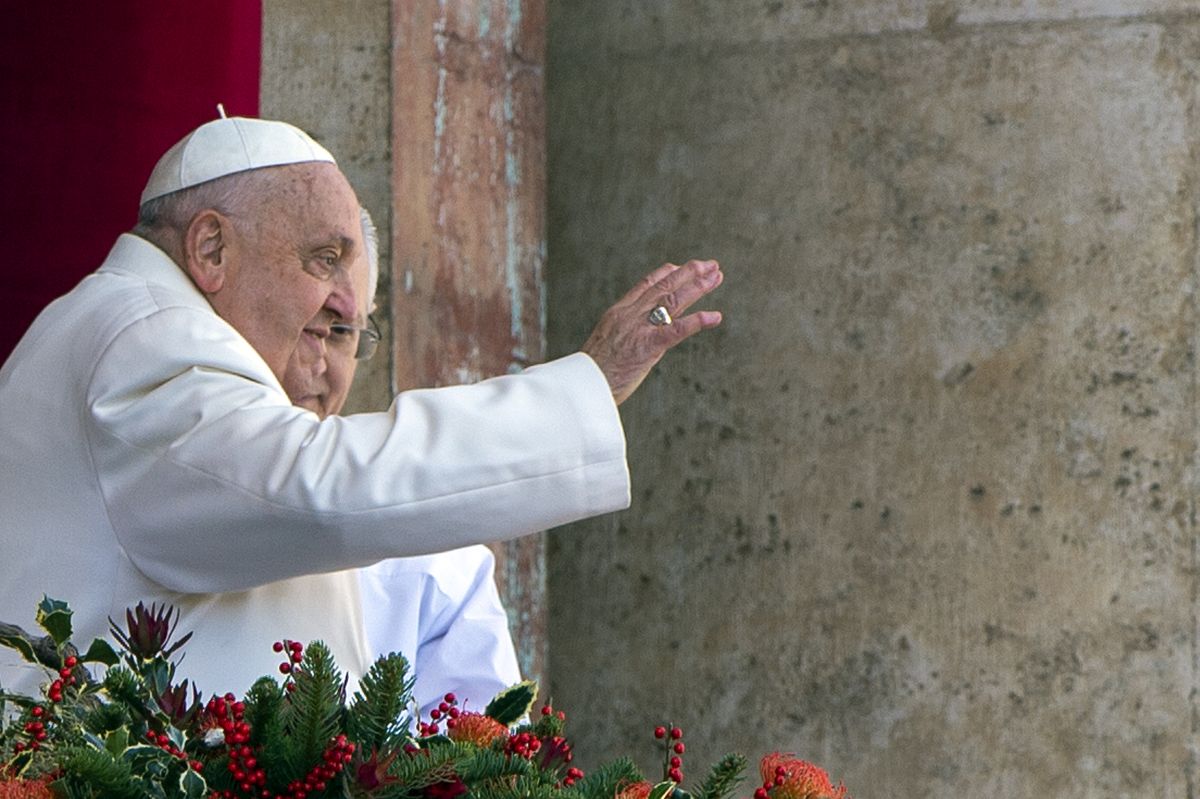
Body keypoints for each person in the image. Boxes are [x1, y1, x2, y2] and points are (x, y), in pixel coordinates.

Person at [0, 115, 723, 697]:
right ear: (211, 248)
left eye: (351, 321)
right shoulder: (137, 328)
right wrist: (584, 386)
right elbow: (311, 490)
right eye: (323, 258)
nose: (344, 301)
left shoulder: (123, 323)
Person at [282, 207, 521, 718]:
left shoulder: (437, 559)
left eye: (342, 331)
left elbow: (486, 763)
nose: (318, 362)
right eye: (299, 324)